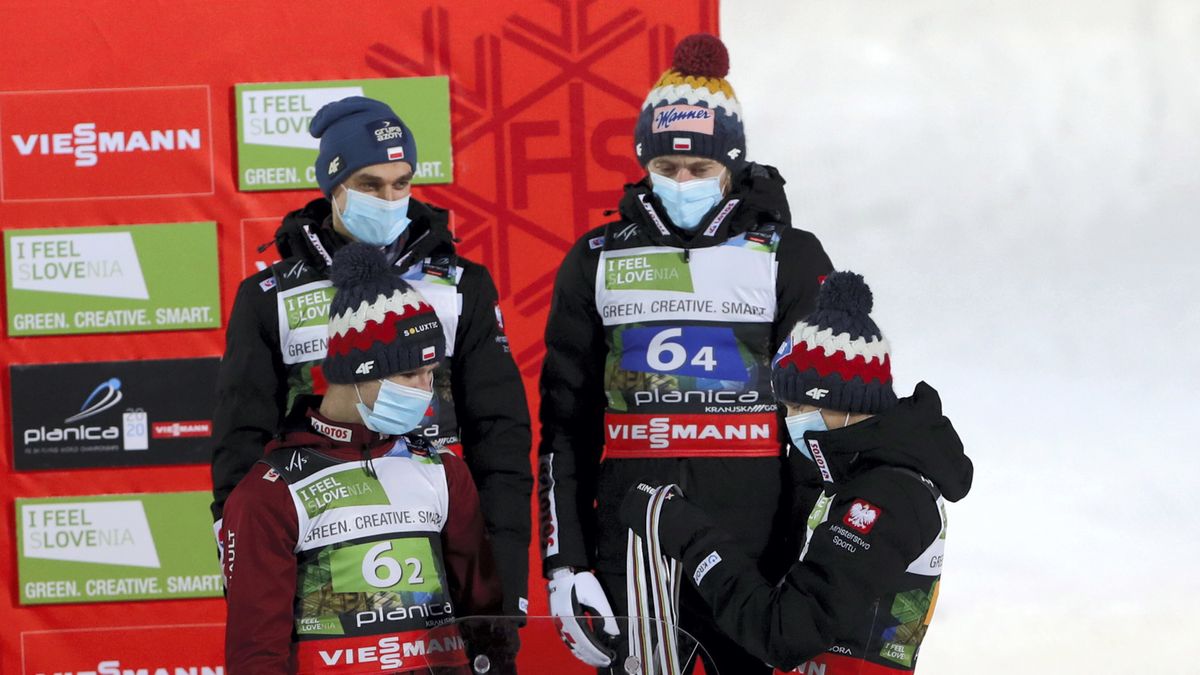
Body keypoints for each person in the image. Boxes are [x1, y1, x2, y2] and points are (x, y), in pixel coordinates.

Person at [538, 33, 834, 673]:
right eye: (665, 168)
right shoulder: (596, 260)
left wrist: (810, 557)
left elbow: (822, 425)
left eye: (699, 169)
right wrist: (565, 563)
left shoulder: (789, 256)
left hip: (755, 554)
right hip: (634, 551)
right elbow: (566, 427)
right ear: (644, 162)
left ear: (731, 166)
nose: (681, 182)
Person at [210, 96, 533, 621]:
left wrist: (505, 583)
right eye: (369, 184)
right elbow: (239, 438)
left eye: (400, 183)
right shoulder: (269, 296)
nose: (388, 198)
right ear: (333, 187)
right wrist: (240, 556)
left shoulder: (459, 286)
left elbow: (500, 437)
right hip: (322, 543)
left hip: (447, 535)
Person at [620, 271, 974, 673]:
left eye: (799, 407)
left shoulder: (889, 496)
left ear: (844, 401)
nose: (790, 421)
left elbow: (783, 636)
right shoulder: (856, 478)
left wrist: (691, 538)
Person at [221, 243, 512, 674]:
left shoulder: (442, 470)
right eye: (408, 374)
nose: (423, 391)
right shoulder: (272, 492)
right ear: (355, 373)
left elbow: (486, 621)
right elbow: (256, 656)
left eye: (431, 374)